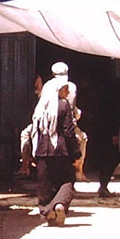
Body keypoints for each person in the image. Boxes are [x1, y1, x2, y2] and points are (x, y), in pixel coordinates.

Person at [31, 74, 80, 226]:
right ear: (57, 90)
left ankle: (48, 211)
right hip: (61, 150)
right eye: (65, 89)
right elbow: (69, 132)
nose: (67, 93)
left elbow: (34, 131)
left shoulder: (41, 107)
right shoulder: (64, 105)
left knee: (45, 183)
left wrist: (33, 154)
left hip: (42, 151)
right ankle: (59, 204)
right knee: (67, 181)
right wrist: (76, 153)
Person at [80, 77, 120, 197]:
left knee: (106, 159)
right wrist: (114, 134)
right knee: (113, 158)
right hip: (108, 135)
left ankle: (103, 185)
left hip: (99, 134)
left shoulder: (103, 100)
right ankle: (103, 186)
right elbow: (113, 118)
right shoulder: (113, 102)